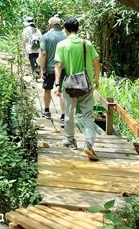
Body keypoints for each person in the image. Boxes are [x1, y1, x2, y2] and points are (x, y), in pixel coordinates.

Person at [54, 17, 101, 161]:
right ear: (77, 29)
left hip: (70, 86)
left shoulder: (62, 45)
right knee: (87, 115)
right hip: (86, 85)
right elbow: (96, 63)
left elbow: (58, 66)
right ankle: (88, 143)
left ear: (65, 29)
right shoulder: (87, 44)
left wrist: (57, 84)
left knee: (69, 113)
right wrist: (96, 80)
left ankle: (70, 141)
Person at [38, 15, 67, 123]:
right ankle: (63, 116)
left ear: (50, 25)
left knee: (47, 89)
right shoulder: (65, 36)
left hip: (50, 69)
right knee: (62, 91)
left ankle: (46, 110)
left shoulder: (45, 36)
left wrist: (42, 69)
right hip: (63, 68)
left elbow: (43, 54)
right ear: (60, 25)